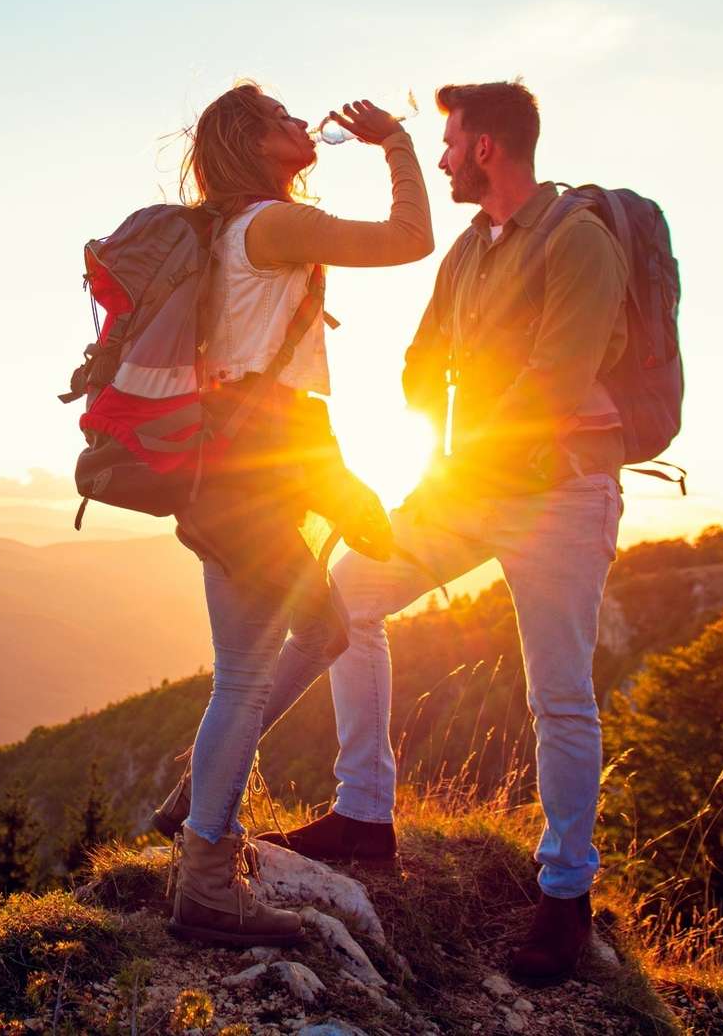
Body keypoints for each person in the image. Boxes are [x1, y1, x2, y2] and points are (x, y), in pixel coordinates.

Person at [257, 80, 630, 986]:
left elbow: (552, 381)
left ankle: (565, 893)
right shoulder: (469, 248)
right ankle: (365, 811)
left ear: (490, 149)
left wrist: (471, 458)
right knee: (345, 601)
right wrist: (440, 436)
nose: (444, 157)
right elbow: (423, 358)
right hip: (466, 488)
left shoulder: (579, 241)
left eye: (452, 143)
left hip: (563, 496)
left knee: (560, 696)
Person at [164, 82, 434, 948]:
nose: (299, 121)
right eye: (280, 116)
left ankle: (196, 810)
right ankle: (205, 877)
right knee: (247, 676)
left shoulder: (225, 233)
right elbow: (410, 240)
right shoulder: (268, 226)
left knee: (315, 633)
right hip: (248, 477)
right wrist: (395, 142)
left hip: (231, 469)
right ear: (252, 142)